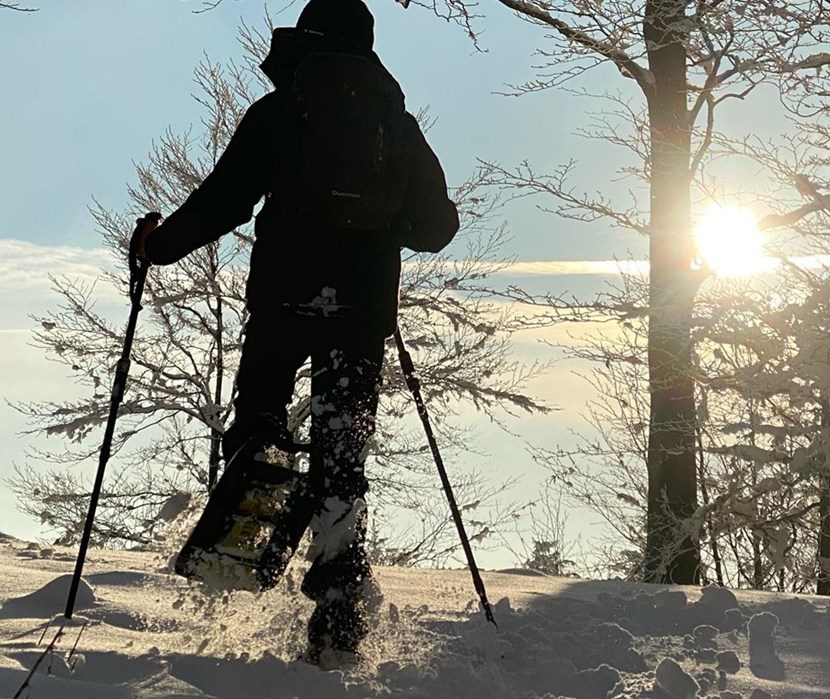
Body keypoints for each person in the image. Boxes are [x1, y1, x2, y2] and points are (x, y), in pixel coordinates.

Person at [131, 0, 459, 665]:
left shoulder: (281, 110)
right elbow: (437, 226)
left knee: (261, 424)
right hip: (361, 313)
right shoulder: (396, 124)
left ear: (306, 40)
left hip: (284, 297)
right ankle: (337, 616)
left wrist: (156, 246)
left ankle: (246, 532)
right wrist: (383, 229)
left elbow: (225, 198)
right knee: (343, 454)